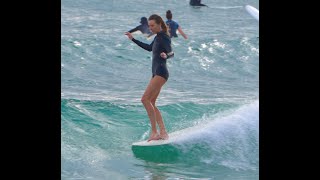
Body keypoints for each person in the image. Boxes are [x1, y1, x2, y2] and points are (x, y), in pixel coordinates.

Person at [125, 14, 174, 141]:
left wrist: (165, 56)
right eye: (149, 26)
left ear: (159, 24)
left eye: (152, 25)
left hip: (161, 73)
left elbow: (171, 53)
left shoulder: (163, 37)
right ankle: (163, 132)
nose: (150, 28)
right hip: (156, 73)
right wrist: (133, 39)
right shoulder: (157, 37)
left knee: (144, 99)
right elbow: (148, 48)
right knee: (151, 102)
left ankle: (154, 132)